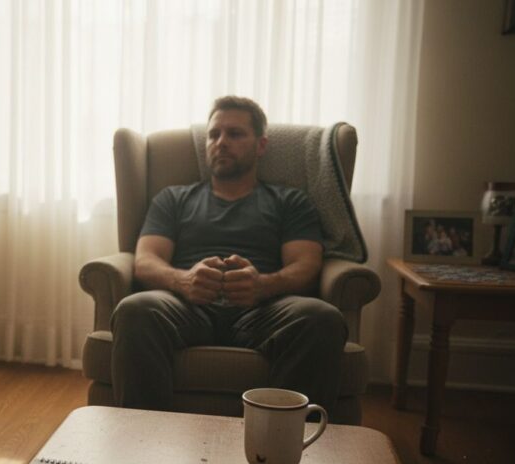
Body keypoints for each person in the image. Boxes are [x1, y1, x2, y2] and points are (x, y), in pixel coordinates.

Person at [111, 96, 347, 416]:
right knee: (135, 309)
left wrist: (263, 285)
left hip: (263, 311)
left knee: (322, 318)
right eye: (214, 135)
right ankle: (144, 444)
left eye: (235, 134)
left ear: (261, 145)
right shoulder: (173, 199)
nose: (221, 143)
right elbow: (145, 260)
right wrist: (183, 280)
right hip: (188, 308)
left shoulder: (290, 201)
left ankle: (283, 444)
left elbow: (306, 264)